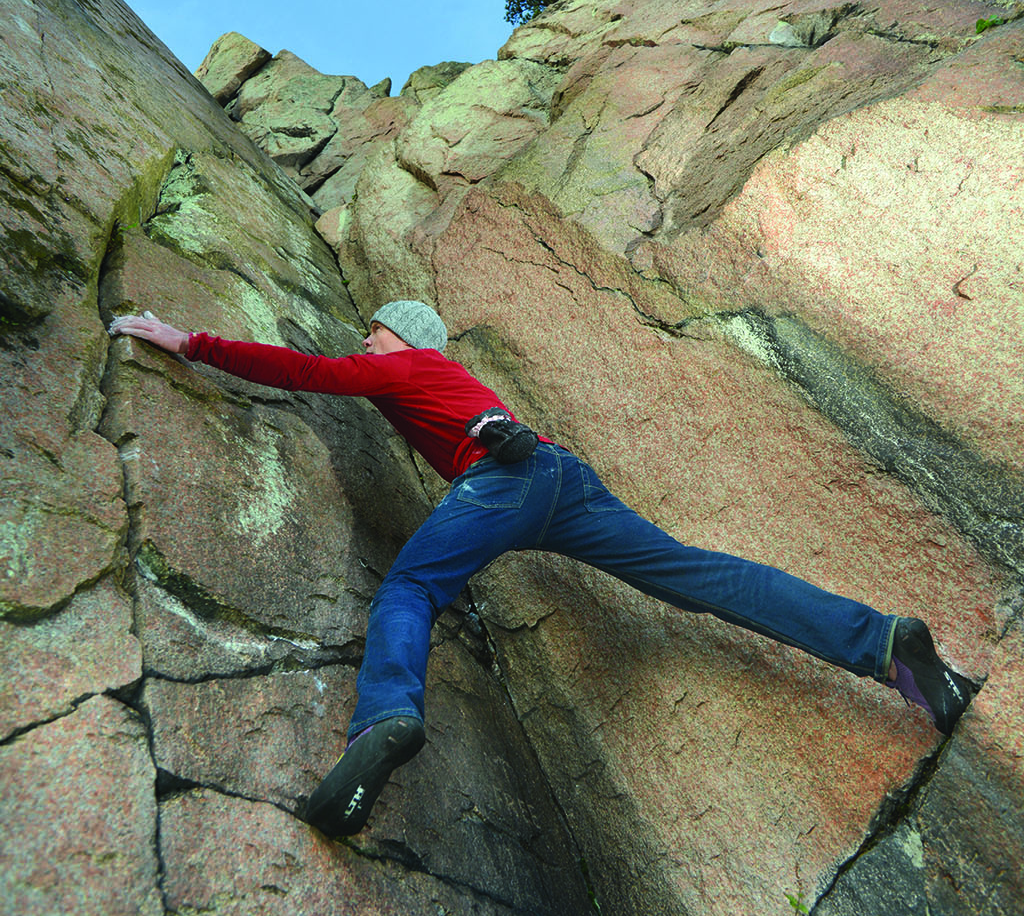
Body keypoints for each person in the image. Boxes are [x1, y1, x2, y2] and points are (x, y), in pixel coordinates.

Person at [109, 299, 977, 839]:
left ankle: (385, 719)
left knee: (412, 587)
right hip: (561, 475)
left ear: (396, 333)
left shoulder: (402, 359)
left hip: (506, 474)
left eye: (369, 326)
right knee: (697, 575)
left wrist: (189, 342)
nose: (360, 339)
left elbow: (311, 371)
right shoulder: (443, 377)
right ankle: (887, 643)